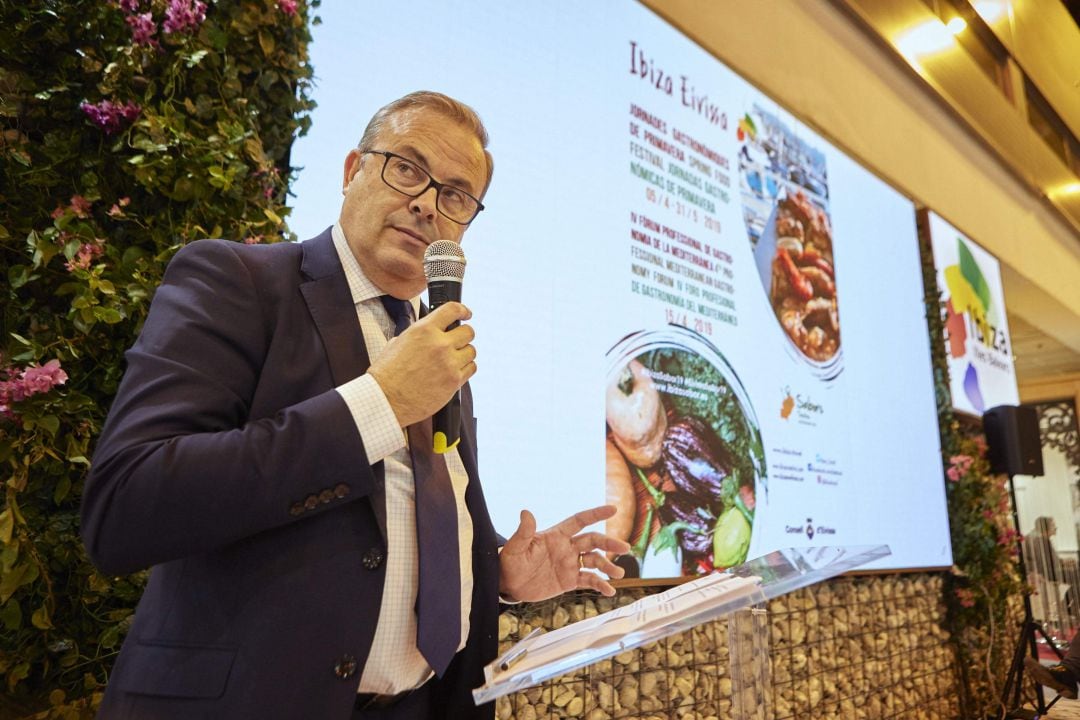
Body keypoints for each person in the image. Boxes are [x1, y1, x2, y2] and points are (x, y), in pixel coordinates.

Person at [81, 91, 631, 719]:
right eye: (407, 168)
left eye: (455, 195)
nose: (426, 203)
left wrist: (497, 573)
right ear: (351, 172)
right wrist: (378, 402)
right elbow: (128, 503)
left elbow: (406, 517)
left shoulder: (439, 348)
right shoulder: (236, 281)